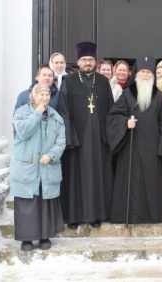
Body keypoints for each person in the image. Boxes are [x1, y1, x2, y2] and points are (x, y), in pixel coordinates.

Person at [107, 55, 162, 224]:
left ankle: (152, 215)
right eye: (142, 71)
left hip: (152, 148)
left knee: (150, 182)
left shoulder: (159, 97)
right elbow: (113, 116)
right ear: (136, 74)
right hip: (131, 147)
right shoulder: (127, 94)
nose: (145, 75)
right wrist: (125, 123)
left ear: (153, 75)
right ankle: (128, 214)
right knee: (131, 181)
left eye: (148, 72)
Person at [57, 42, 114, 229]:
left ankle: (96, 214)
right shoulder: (69, 82)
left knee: (98, 175)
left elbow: (112, 110)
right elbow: (63, 111)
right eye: (84, 60)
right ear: (78, 62)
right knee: (75, 177)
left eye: (90, 60)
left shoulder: (103, 82)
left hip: (98, 138)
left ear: (95, 62)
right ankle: (74, 216)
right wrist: (69, 136)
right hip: (77, 139)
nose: (87, 63)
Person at [11, 83, 66, 251]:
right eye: (41, 95)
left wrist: (51, 155)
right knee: (27, 203)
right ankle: (26, 239)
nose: (45, 98)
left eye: (47, 95)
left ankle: (44, 236)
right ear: (33, 96)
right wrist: (37, 113)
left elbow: (61, 140)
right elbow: (23, 132)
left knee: (45, 202)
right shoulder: (21, 113)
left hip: (47, 166)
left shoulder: (56, 116)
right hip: (27, 167)